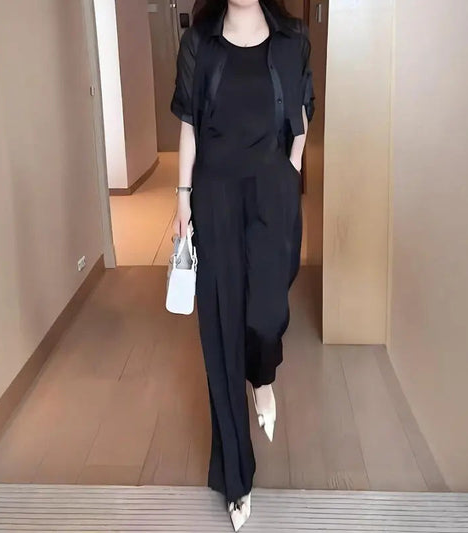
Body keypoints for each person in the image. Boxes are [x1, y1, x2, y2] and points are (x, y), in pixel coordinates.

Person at [170, 0, 314, 529]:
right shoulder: (199, 43)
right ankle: (237, 480)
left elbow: (301, 117)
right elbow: (189, 124)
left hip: (272, 191)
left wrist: (288, 171)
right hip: (215, 196)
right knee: (221, 332)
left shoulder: (293, 39)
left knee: (266, 314)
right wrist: (183, 198)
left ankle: (264, 376)